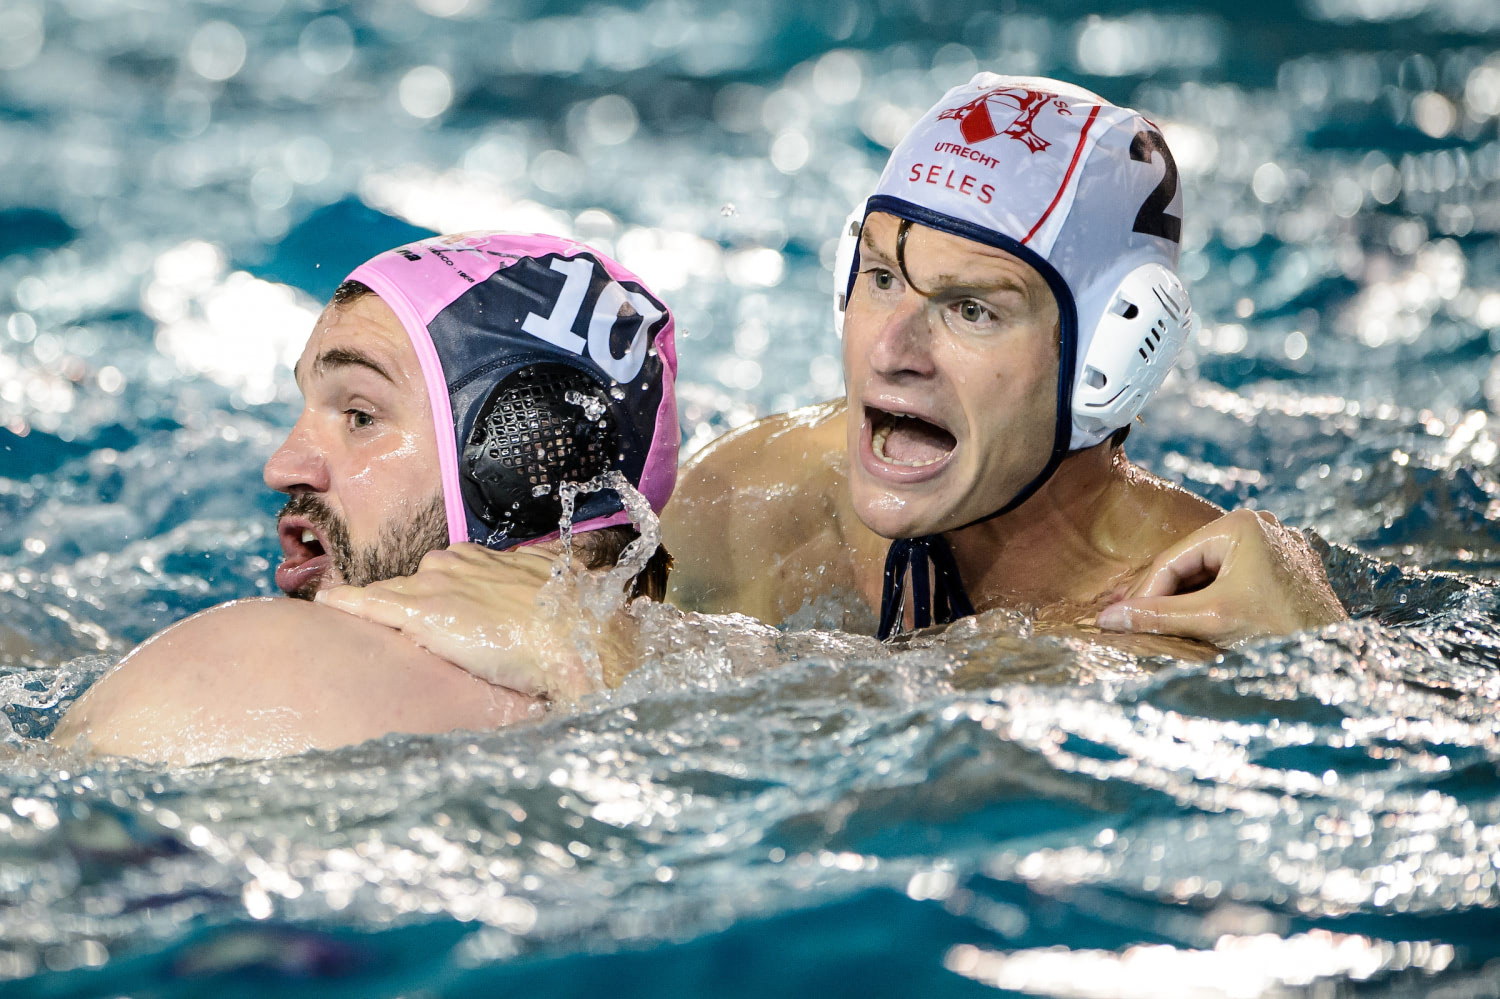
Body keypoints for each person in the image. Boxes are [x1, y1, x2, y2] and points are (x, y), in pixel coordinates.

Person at [317, 75, 1347, 695]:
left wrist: (1330, 652)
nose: (892, 347)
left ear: (1113, 352)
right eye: (883, 278)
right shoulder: (763, 498)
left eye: (972, 308)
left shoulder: (1212, 608)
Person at [50, 231, 680, 764]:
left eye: (359, 414)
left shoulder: (246, 666)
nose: (282, 466)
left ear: (525, 459)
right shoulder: (720, 669)